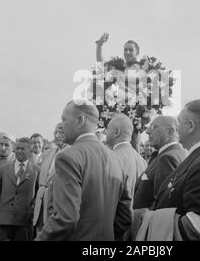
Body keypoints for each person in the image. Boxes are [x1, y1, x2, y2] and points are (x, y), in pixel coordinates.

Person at [35, 101, 132, 241]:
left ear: (80, 120)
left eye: (64, 119)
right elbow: (125, 217)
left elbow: (66, 219)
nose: (61, 125)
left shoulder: (68, 157)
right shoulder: (115, 158)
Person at [147, 99, 200, 241]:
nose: (176, 128)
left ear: (190, 126)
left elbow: (198, 227)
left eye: (179, 122)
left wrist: (149, 221)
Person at [133, 115, 187, 209]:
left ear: (170, 131)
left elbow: (163, 202)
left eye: (154, 127)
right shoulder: (171, 154)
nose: (147, 131)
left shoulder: (168, 158)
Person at [0, 137, 40, 241]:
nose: (19, 151)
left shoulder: (36, 171)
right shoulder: (3, 169)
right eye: (17, 148)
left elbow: (39, 194)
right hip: (3, 220)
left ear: (30, 150)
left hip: (24, 222)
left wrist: (32, 210)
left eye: (23, 149)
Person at [33, 123, 67, 234]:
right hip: (41, 203)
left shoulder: (72, 153)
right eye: (55, 132)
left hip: (57, 205)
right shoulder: (47, 153)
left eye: (61, 132)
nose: (57, 135)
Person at [106, 114, 147, 201]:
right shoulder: (141, 160)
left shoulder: (112, 158)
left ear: (117, 132)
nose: (106, 132)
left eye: (108, 129)